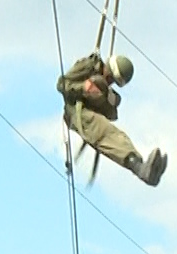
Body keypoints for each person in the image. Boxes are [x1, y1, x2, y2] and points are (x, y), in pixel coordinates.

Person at [57, 51, 166, 186]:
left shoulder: (106, 88)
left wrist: (107, 99)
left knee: (118, 135)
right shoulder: (88, 66)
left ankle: (142, 167)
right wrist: (83, 88)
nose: (110, 83)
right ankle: (141, 170)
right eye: (110, 79)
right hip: (76, 111)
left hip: (90, 113)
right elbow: (62, 84)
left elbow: (111, 114)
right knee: (105, 131)